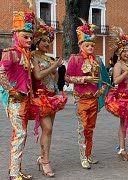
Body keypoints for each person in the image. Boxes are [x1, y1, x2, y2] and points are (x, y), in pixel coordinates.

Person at [65, 19, 108, 169]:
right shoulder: (74, 59)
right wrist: (85, 79)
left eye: (92, 45)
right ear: (81, 45)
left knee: (90, 128)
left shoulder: (97, 60)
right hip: (81, 99)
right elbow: (67, 77)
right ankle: (83, 156)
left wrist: (101, 91)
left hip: (93, 99)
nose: (90, 47)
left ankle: (88, 155)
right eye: (87, 45)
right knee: (82, 128)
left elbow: (103, 79)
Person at [29, 19, 68, 177]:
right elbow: (37, 75)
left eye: (48, 41)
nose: (47, 43)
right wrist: (53, 67)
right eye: (44, 41)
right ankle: (45, 161)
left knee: (48, 131)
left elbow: (54, 77)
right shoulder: (34, 57)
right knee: (48, 129)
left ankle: (43, 157)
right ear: (37, 41)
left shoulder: (48, 58)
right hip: (41, 97)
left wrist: (55, 70)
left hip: (52, 97)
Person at [0, 11, 35, 180]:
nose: (29, 40)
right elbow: (1, 74)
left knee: (21, 134)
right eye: (25, 37)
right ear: (16, 35)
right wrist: (13, 92)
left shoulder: (25, 54)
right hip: (15, 100)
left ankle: (16, 170)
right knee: (20, 134)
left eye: (30, 37)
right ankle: (14, 173)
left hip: (25, 99)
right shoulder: (10, 53)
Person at [105, 26, 128, 162]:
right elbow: (116, 81)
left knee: (124, 124)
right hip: (124, 98)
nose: (127, 53)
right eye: (124, 51)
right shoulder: (118, 65)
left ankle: (122, 149)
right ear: (119, 53)